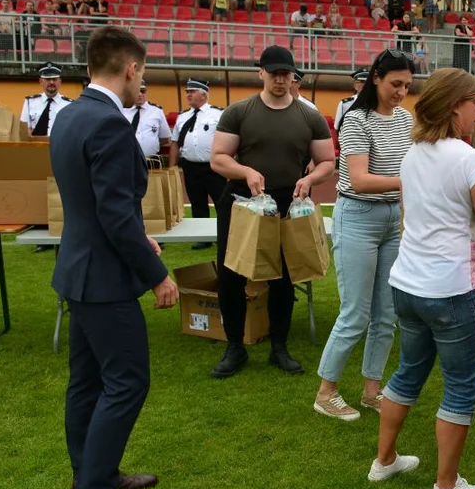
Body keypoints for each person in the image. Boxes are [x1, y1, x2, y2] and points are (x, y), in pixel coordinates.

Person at [370, 67, 475, 489]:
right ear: (455, 104)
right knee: (460, 384)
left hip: (408, 282)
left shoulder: (413, 153)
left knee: (407, 371)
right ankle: (446, 486)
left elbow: (425, 213)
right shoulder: (470, 159)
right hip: (451, 288)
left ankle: (384, 460)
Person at [50, 25, 178, 489]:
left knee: (87, 383)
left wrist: (133, 242)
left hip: (79, 268)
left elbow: (93, 206)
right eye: (140, 71)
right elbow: (117, 215)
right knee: (126, 382)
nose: (139, 79)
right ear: (130, 69)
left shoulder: (70, 115)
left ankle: (91, 476)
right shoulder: (106, 124)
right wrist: (157, 276)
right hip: (103, 278)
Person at [210, 46, 336, 379]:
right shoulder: (239, 111)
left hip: (285, 204)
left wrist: (309, 178)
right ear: (261, 73)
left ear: (293, 76)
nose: (280, 79)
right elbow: (219, 158)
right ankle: (234, 346)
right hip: (240, 203)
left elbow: (327, 161)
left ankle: (278, 347)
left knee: (283, 276)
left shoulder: (309, 116)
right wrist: (246, 172)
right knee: (232, 274)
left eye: (286, 73)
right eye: (274, 72)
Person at [312, 50, 415, 420]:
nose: (401, 92)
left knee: (386, 314)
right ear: (375, 78)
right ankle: (326, 391)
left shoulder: (406, 119)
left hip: (393, 219)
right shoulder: (356, 119)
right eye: (395, 84)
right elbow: (358, 178)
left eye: (407, 85)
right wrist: (411, 181)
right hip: (357, 215)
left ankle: (373, 390)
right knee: (356, 312)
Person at [169, 78, 225, 249]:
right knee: (197, 202)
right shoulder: (183, 117)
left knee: (221, 201)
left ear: (203, 94)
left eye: (192, 92)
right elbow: (175, 143)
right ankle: (204, 237)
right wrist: (172, 166)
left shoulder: (218, 114)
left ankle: (224, 233)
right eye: (187, 92)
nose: (188, 95)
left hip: (213, 166)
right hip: (190, 166)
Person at [22, 61, 73, 137]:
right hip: (36, 147)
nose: (51, 82)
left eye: (54, 79)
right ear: (41, 82)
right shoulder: (30, 102)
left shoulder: (69, 104)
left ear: (60, 82)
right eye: (48, 79)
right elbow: (24, 129)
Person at [122, 80, 171, 157]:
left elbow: (164, 138)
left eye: (142, 91)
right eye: (137, 91)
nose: (140, 94)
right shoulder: (122, 110)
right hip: (127, 158)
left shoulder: (156, 111)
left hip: (150, 160)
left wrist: (150, 146)